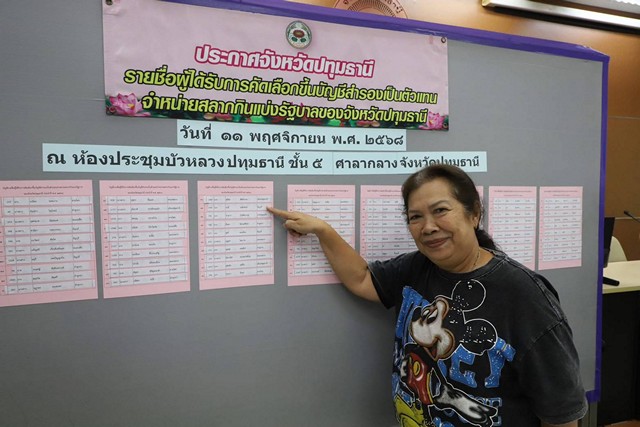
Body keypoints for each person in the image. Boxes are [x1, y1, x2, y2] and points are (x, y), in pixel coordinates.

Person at [267, 164, 587, 427]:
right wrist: (323, 230)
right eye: (415, 217)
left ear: (474, 213)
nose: (428, 227)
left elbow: (562, 412)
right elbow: (363, 278)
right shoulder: (418, 267)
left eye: (440, 210)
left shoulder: (524, 295)